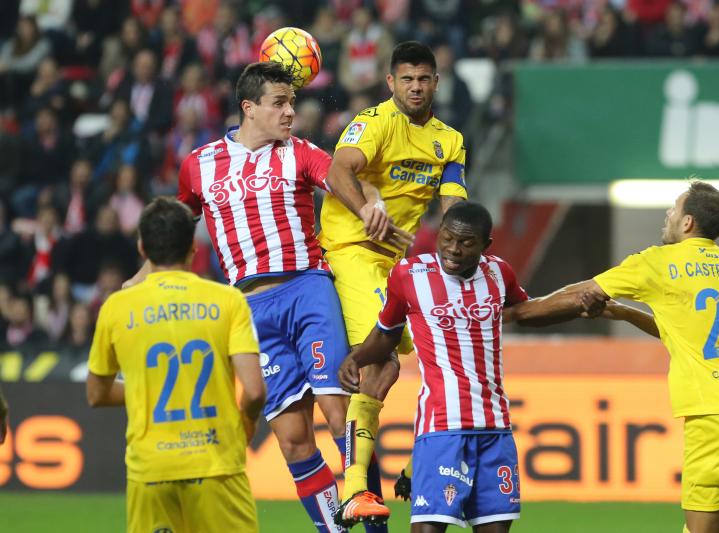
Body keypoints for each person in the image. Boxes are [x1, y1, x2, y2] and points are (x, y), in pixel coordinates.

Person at [126, 61, 394, 532]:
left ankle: (373, 528)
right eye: (280, 103)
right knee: (292, 439)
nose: (291, 112)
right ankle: (333, 529)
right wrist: (142, 275)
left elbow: (345, 177)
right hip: (248, 307)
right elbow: (173, 225)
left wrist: (371, 200)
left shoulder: (300, 153)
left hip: (307, 288)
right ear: (249, 108)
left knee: (339, 411)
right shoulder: (200, 165)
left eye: (292, 102)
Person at [337, 202, 607, 532]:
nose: (453, 249)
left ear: (485, 245)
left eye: (466, 243)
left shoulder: (499, 272)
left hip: (496, 430)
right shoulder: (409, 276)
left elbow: (525, 312)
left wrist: (577, 305)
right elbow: (386, 333)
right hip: (442, 429)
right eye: (447, 239)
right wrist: (356, 358)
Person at [554, 181, 719, 533]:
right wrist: (628, 314)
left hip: (718, 414)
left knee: (701, 528)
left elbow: (584, 292)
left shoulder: (659, 260)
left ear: (687, 223)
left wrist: (517, 310)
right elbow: (690, 331)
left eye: (673, 208)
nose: (667, 215)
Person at [322, 41, 469, 526]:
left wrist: (461, 256)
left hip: (396, 265)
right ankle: (355, 489)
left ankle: (404, 470)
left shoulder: (450, 140)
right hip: (354, 253)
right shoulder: (375, 122)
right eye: (406, 79)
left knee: (419, 366)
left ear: (436, 83)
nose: (415, 87)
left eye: (424, 78)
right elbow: (339, 169)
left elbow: (453, 210)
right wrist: (366, 207)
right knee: (379, 359)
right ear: (391, 83)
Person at [86, 197, 265, 532]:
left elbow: (96, 394)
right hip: (216, 466)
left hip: (150, 471)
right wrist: (248, 422)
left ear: (142, 248)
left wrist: (144, 387)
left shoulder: (116, 307)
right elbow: (254, 390)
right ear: (192, 249)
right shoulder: (228, 301)